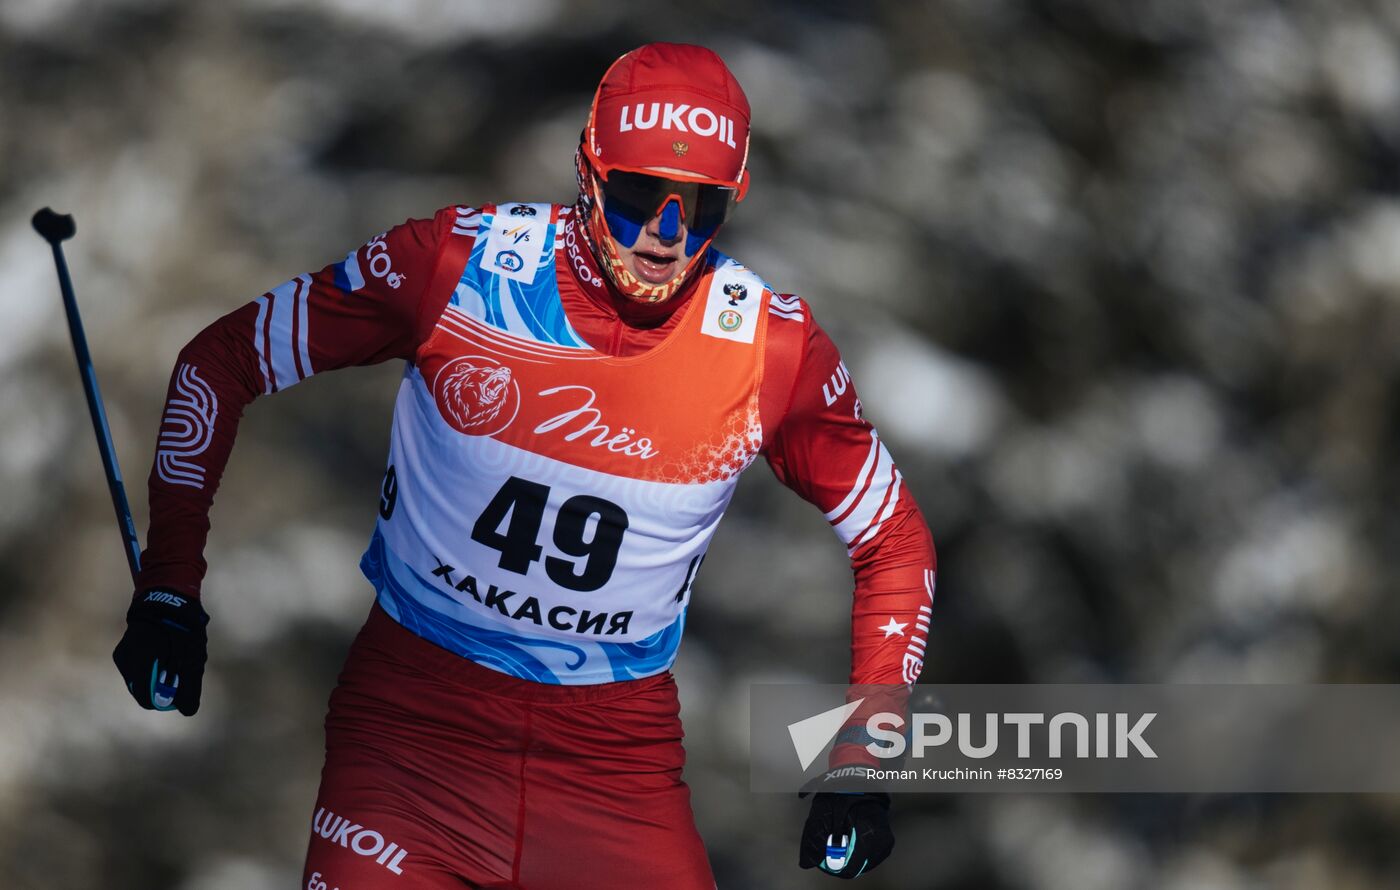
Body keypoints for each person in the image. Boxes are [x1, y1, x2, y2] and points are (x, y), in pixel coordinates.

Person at [111, 42, 936, 887]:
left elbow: (895, 542)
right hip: (412, 740)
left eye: (702, 205)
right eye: (639, 196)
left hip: (615, 771)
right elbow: (221, 361)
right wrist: (170, 585)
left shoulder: (767, 346)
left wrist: (862, 757)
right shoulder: (456, 267)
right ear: (589, 172)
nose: (666, 233)